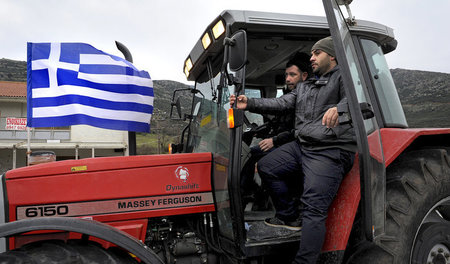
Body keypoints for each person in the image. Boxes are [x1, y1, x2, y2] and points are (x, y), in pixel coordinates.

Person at [230, 36, 356, 264]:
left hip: (329, 149)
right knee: (267, 165)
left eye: (317, 53)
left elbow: (359, 100)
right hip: (303, 146)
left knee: (313, 209)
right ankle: (288, 215)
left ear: (332, 56)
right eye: (312, 54)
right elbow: (281, 103)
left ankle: (305, 261)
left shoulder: (345, 78)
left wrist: (340, 108)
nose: (312, 57)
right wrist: (248, 102)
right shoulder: (306, 87)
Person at [240, 52, 312, 206]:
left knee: (259, 160)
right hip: (285, 141)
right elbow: (281, 118)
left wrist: (274, 140)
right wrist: (262, 131)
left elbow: (299, 130)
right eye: (286, 75)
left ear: (304, 76)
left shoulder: (306, 97)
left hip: (296, 145)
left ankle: (286, 209)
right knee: (248, 153)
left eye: (292, 75)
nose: (287, 79)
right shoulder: (292, 95)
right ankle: (250, 191)